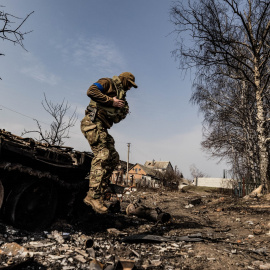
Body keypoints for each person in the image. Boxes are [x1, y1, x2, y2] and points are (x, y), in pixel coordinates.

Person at [80, 72, 138, 214]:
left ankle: (99, 190)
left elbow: (116, 118)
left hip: (102, 127)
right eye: (129, 84)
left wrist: (121, 110)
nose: (130, 88)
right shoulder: (107, 82)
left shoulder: (122, 96)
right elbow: (91, 91)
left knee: (113, 158)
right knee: (103, 154)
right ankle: (92, 196)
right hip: (92, 123)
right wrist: (111, 102)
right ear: (124, 80)